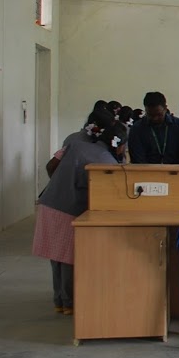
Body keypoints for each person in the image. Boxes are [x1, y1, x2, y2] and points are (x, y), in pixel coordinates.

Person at [32, 116, 128, 315]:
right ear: (120, 145)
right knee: (69, 257)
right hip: (69, 210)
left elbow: (51, 165)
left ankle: (59, 301)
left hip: (49, 204)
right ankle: (69, 303)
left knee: (56, 257)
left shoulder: (76, 145)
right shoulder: (107, 161)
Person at [128, 91, 179, 164]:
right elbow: (137, 158)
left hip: (175, 169)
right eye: (150, 115)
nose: (155, 118)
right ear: (145, 110)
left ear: (165, 108)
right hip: (146, 169)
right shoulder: (137, 128)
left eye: (159, 114)